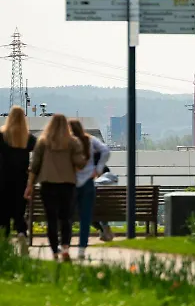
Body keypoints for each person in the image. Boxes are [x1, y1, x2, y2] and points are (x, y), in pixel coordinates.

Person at [26, 114, 87, 262]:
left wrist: (30, 185)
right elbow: (80, 163)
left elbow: (34, 166)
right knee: (66, 218)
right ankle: (65, 247)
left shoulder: (43, 142)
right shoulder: (72, 142)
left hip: (48, 184)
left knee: (51, 218)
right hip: (67, 184)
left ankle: (54, 250)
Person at [69, 118, 111, 260]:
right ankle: (82, 248)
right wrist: (98, 169)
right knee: (85, 217)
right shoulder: (90, 140)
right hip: (88, 183)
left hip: (71, 183)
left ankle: (65, 246)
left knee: (67, 216)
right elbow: (105, 150)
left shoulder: (68, 142)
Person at [0, 106, 36, 254]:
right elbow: (39, 155)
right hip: (22, 180)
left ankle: (4, 242)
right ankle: (21, 233)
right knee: (19, 212)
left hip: (2, 180)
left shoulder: (2, 135)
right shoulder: (29, 138)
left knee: (3, 213)